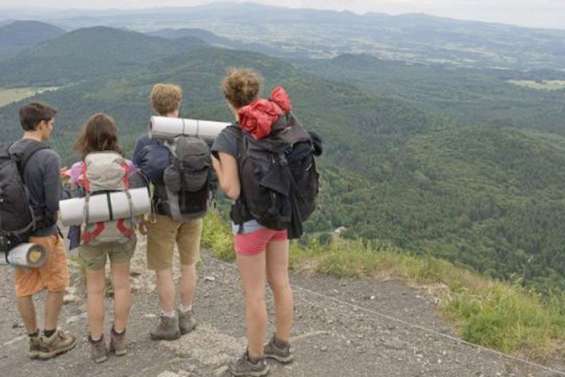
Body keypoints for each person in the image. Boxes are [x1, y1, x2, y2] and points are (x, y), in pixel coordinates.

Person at [211, 69, 295, 377]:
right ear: (256, 94)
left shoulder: (229, 137)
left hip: (250, 222)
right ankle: (282, 346)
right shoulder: (277, 125)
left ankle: (254, 360)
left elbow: (232, 190)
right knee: (281, 282)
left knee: (255, 294)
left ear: (228, 100)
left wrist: (217, 166)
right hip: (279, 217)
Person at [133, 84, 202, 340]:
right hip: (194, 210)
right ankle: (187, 316)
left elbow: (137, 180)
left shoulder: (145, 140)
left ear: (154, 106)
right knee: (188, 265)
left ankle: (168, 322)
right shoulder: (196, 135)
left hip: (162, 212)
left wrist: (140, 215)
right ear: (178, 103)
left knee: (164, 268)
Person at [8, 102, 77, 360]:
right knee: (56, 283)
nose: (51, 128)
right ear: (40, 124)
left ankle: (34, 339)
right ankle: (50, 338)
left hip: (17, 233)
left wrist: (52, 179)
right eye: (50, 124)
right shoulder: (48, 156)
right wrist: (65, 187)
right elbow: (53, 204)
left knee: (24, 286)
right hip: (43, 233)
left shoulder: (11, 151)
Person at [69, 113, 138, 363]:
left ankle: (97, 344)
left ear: (87, 138)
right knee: (122, 285)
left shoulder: (80, 169)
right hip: (122, 233)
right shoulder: (126, 165)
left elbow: (73, 199)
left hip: (92, 236)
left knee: (95, 290)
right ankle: (119, 339)